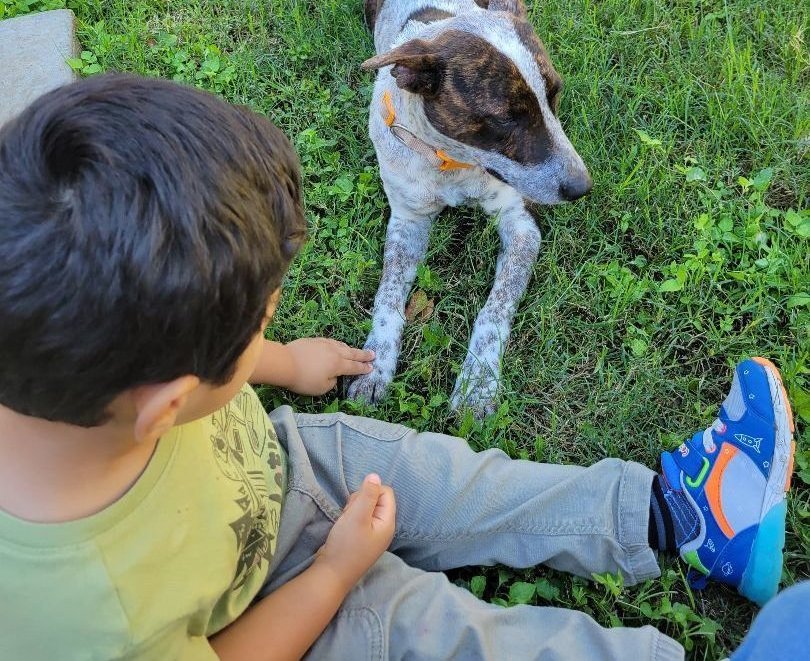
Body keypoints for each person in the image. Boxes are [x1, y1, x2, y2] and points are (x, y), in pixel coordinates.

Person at [0, 74, 795, 661]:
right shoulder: (81, 615)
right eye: (262, 321)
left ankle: (682, 516)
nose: (272, 320)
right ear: (168, 404)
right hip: (270, 605)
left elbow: (188, 373)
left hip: (283, 457)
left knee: (461, 480)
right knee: (456, 638)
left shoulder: (51, 338)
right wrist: (336, 572)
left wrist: (276, 362)